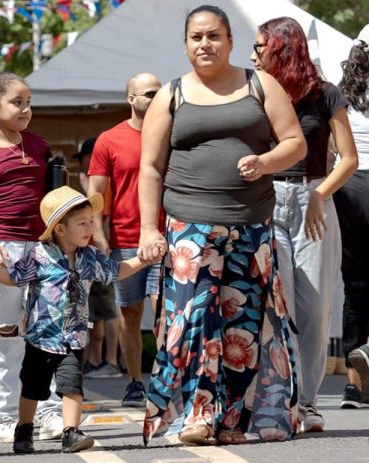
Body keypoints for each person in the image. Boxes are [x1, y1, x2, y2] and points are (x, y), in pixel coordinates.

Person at [139, 5, 306, 446]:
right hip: (189, 229)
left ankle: (231, 420)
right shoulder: (170, 94)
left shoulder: (260, 84)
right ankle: (197, 415)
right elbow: (151, 168)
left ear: (231, 41)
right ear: (186, 44)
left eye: (213, 36)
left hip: (250, 227)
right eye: (196, 37)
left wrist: (266, 161)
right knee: (191, 323)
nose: (204, 44)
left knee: (243, 329)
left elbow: (295, 143)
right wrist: (148, 230)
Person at [0, 186, 155, 453]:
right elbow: (14, 277)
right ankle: (24, 428)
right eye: (81, 223)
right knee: (32, 388)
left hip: (73, 337)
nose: (89, 228)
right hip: (40, 337)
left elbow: (116, 271)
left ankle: (70, 432)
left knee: (72, 385)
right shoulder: (39, 256)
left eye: (90, 222)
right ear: (59, 229)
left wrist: (142, 260)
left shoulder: (89, 257)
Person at [251, 17, 359, 430]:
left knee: (315, 309)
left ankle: (309, 403)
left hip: (315, 197)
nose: (254, 54)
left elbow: (348, 159)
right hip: (267, 199)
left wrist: (320, 194)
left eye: (261, 46)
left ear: (282, 47)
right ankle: (281, 400)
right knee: (276, 308)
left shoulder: (325, 94)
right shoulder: (255, 92)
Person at [0, 71, 65, 444]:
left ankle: (49, 412)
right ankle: (5, 418)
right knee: (5, 338)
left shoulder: (38, 145)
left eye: (28, 102)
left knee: (46, 336)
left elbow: (54, 202)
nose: (25, 109)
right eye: (17, 102)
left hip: (41, 251)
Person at [87, 72, 163, 406]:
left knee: (165, 313)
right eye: (149, 93)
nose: (156, 97)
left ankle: (165, 382)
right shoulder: (109, 139)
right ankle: (135, 381)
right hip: (126, 239)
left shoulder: (172, 133)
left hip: (168, 238)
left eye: (160, 92)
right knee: (130, 315)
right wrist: (98, 235)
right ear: (131, 98)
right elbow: (95, 196)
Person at [335, 24, 369, 408]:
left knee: (355, 287)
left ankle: (354, 385)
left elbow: (334, 147)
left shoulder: (342, 92)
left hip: (348, 185)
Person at [73, 138, 123, 380]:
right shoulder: (94, 182)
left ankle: (110, 360)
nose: (81, 164)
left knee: (109, 309)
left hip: (102, 250)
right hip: (95, 250)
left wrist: (101, 242)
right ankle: (96, 359)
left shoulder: (103, 183)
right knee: (96, 310)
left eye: (82, 158)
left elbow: (103, 216)